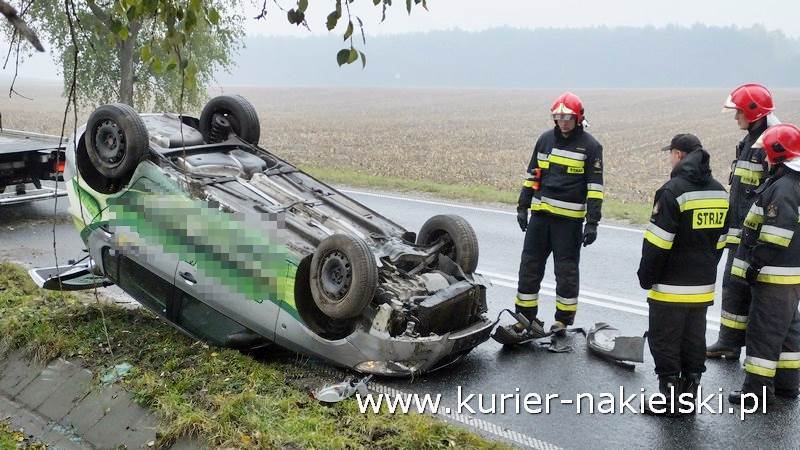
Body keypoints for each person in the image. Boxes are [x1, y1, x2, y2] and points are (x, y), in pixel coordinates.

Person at [638, 134, 729, 415]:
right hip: (702, 286)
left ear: (678, 155)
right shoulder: (719, 192)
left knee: (664, 339)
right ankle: (690, 393)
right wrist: (705, 268)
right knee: (693, 338)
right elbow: (722, 241)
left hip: (670, 287)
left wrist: (646, 276)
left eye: (671, 154)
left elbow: (658, 243)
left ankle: (669, 397)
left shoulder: (672, 191)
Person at [503, 92, 603, 341]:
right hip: (540, 218)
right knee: (529, 268)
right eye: (558, 117)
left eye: (567, 117)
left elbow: (595, 188)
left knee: (566, 272)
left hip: (568, 223)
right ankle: (524, 319)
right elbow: (532, 176)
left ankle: (562, 321)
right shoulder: (545, 140)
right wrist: (522, 206)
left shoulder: (591, 147)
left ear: (578, 118)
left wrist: (592, 223)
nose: (563, 122)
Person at [729, 123, 800, 406]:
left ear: (778, 153)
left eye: (767, 153)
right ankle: (787, 385)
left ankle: (755, 393)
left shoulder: (782, 188)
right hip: (790, 275)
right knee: (788, 332)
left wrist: (755, 264)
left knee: (764, 332)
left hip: (774, 276)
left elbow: (775, 236)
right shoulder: (791, 182)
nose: (764, 159)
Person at [707, 83, 776, 359]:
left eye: (739, 112)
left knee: (751, 291)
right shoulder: (749, 141)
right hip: (739, 231)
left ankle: (746, 347)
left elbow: (772, 193)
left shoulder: (769, 143)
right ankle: (729, 341)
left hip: (754, 234)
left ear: (754, 112)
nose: (736, 117)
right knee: (732, 285)